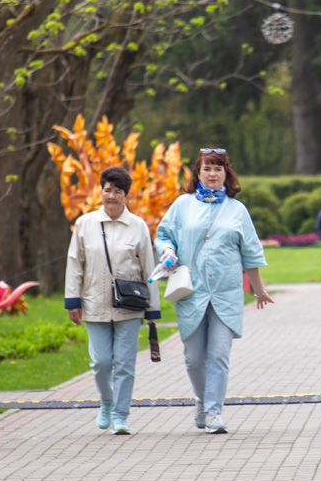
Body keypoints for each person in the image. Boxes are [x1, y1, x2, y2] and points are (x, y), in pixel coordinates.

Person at [156, 149, 274, 434]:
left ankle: (213, 412)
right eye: (207, 168)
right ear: (198, 173)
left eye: (218, 169)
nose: (212, 174)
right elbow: (163, 235)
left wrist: (259, 291)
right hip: (191, 293)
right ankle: (201, 399)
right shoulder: (182, 205)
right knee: (194, 358)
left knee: (219, 355)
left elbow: (251, 253)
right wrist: (168, 251)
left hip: (226, 294)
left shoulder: (237, 210)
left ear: (226, 174)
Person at [65, 165, 160, 436]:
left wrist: (152, 310)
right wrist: (73, 300)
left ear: (126, 196)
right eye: (107, 190)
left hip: (130, 306)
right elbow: (75, 264)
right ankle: (107, 402)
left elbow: (149, 269)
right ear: (101, 192)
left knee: (125, 364)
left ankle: (120, 415)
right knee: (101, 363)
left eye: (118, 192)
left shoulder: (138, 226)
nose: (111, 196)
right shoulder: (85, 224)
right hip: (94, 302)